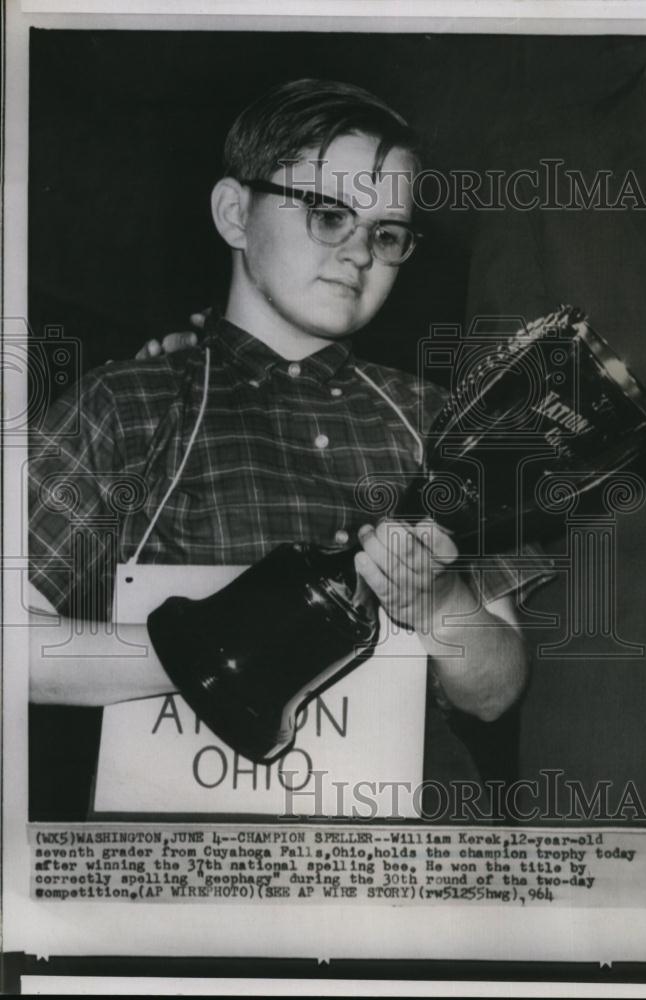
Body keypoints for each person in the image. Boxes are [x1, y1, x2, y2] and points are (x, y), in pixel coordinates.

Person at [28, 79, 547, 813]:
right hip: (193, 860)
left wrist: (440, 604)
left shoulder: (438, 422)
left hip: (405, 869)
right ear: (235, 212)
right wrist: (226, 657)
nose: (359, 253)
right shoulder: (128, 402)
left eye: (387, 233)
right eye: (329, 214)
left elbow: (496, 692)